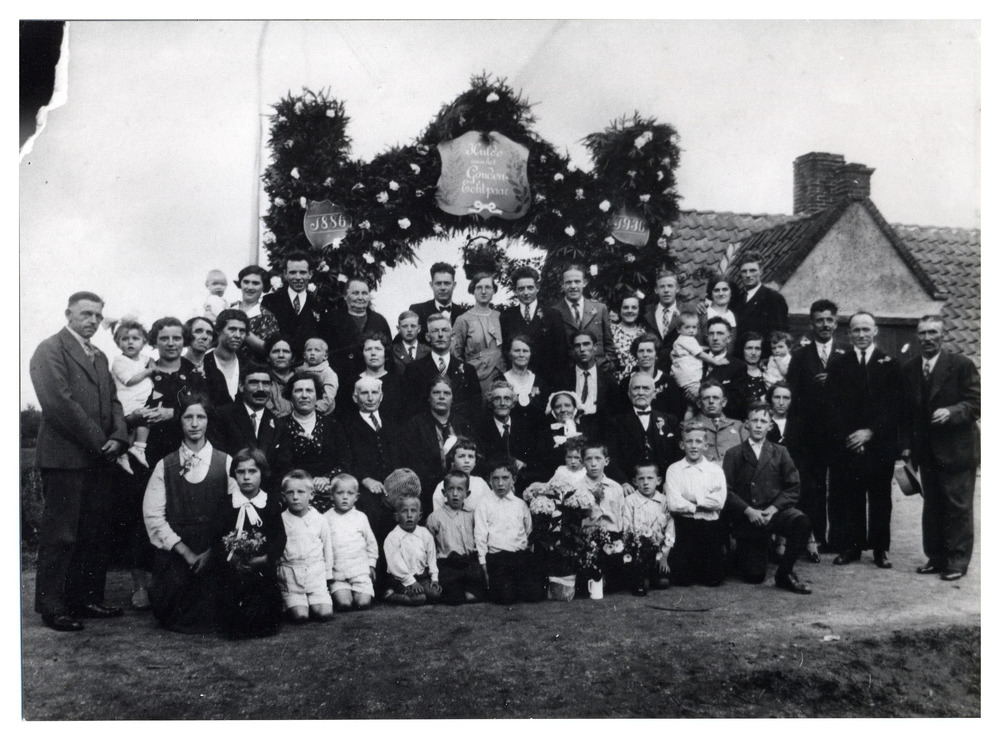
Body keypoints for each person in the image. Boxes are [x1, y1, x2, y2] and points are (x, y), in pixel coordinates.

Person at [30, 291, 129, 631]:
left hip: (99, 458)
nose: (93, 321)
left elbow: (114, 401)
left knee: (93, 532)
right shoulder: (50, 349)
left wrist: (120, 436)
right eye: (86, 314)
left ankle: (85, 599)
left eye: (98, 316)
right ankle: (53, 607)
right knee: (61, 534)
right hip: (65, 458)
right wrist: (102, 442)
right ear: (68, 314)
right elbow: (59, 403)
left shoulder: (99, 356)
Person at [900, 315, 981, 582]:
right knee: (933, 506)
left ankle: (957, 561)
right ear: (917, 336)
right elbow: (907, 413)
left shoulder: (961, 365)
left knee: (957, 507)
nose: (927, 338)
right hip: (927, 452)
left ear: (943, 336)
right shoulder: (910, 368)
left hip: (957, 451)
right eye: (922, 333)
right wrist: (907, 447)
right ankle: (935, 558)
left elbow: (977, 403)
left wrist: (952, 412)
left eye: (933, 332)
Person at [142, 392, 228, 633]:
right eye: (188, 417)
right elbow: (153, 517)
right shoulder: (165, 465)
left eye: (201, 417)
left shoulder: (226, 462)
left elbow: (236, 512)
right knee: (172, 605)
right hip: (178, 550)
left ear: (208, 421)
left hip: (214, 547)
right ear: (180, 421)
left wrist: (212, 552)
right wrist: (187, 554)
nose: (194, 424)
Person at [825, 311, 902, 569]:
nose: (861, 334)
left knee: (880, 497)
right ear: (849, 334)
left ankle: (880, 549)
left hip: (879, 444)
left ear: (875, 331)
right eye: (856, 330)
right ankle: (852, 547)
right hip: (850, 444)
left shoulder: (889, 364)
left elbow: (894, 407)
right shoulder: (839, 364)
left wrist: (870, 433)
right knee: (851, 496)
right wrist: (851, 437)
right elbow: (833, 406)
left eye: (865, 329)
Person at [723, 401, 813, 594]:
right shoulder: (733, 454)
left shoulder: (780, 452)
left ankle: (784, 573)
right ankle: (749, 551)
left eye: (763, 421)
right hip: (748, 517)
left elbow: (793, 487)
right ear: (746, 424)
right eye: (754, 420)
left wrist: (773, 509)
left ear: (770, 426)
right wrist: (748, 511)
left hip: (773, 513)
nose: (758, 425)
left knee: (802, 522)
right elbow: (726, 491)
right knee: (754, 577)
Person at [785, 299, 847, 553]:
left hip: (839, 432)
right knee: (814, 487)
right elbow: (792, 395)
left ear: (836, 323)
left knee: (840, 486)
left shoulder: (847, 354)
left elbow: (854, 393)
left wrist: (834, 381)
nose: (824, 325)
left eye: (829, 320)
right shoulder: (800, 356)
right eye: (819, 320)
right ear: (811, 324)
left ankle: (840, 539)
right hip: (810, 434)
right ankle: (817, 537)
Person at [212, 448, 286, 639]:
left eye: (252, 471)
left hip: (262, 569)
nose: (246, 477)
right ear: (234, 474)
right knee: (232, 616)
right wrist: (231, 557)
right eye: (241, 472)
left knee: (265, 618)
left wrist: (265, 558)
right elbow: (216, 537)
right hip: (232, 570)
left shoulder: (269, 503)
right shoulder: (226, 504)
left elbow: (279, 538)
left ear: (262, 473)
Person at [269, 371, 347, 513]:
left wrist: (327, 479)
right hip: (294, 495)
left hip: (330, 493)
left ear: (317, 396)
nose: (304, 395)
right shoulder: (279, 426)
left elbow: (345, 461)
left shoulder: (333, 425)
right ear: (290, 396)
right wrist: (304, 483)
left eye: (309, 390)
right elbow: (278, 466)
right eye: (298, 390)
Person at [399, 376, 476, 513]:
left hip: (460, 489)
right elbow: (412, 462)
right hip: (427, 491)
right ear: (429, 397)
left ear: (452, 398)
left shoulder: (462, 424)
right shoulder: (416, 425)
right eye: (436, 392)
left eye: (446, 393)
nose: (441, 397)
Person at [139, 317, 209, 467]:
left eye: (176, 338)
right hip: (150, 450)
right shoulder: (145, 372)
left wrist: (173, 413)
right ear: (155, 342)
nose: (170, 344)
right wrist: (138, 416)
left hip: (187, 448)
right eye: (164, 338)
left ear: (184, 341)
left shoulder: (195, 374)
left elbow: (208, 409)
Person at [664, 423, 727, 587]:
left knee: (713, 580)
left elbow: (719, 502)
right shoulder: (674, 470)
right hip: (684, 526)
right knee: (682, 579)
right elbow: (674, 503)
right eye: (689, 441)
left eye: (698, 441)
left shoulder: (715, 470)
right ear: (682, 445)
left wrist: (692, 499)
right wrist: (703, 503)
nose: (693, 446)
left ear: (705, 445)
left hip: (709, 526)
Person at [475, 458, 545, 604]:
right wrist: (484, 564)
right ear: (489, 480)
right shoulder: (484, 504)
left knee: (534, 595)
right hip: (498, 558)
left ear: (513, 479)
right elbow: (480, 536)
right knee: (505, 598)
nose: (500, 483)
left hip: (520, 557)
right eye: (495, 478)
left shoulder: (520, 504)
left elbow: (529, 532)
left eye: (505, 478)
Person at [277, 469, 334, 623]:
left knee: (324, 614)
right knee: (300, 616)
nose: (295, 497)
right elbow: (277, 552)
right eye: (290, 492)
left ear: (312, 494)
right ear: (284, 496)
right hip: (291, 578)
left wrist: (328, 576)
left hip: (315, 576)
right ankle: (295, 602)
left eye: (301, 492)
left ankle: (315, 601)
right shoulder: (281, 520)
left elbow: (327, 549)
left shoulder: (320, 519)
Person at [403, 313, 482, 422]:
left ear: (452, 336)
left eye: (445, 330)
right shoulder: (414, 369)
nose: (440, 335)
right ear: (427, 337)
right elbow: (410, 410)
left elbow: (476, 410)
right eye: (435, 331)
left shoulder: (468, 370)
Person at [425, 471, 487, 605]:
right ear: (444, 492)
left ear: (467, 494)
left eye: (459, 489)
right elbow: (429, 546)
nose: (455, 494)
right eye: (450, 489)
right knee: (453, 597)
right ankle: (454, 593)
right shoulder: (435, 518)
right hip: (448, 564)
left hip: (469, 562)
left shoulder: (473, 515)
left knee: (479, 592)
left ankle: (465, 592)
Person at [608, 373, 681, 485]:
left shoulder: (669, 420)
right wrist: (623, 482)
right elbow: (612, 457)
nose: (640, 393)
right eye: (636, 388)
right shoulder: (616, 423)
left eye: (646, 388)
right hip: (630, 486)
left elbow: (676, 457)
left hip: (663, 485)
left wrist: (669, 483)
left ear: (654, 393)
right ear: (629, 393)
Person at [499, 265, 565, 385]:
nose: (526, 293)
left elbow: (561, 353)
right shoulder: (506, 317)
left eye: (530, 288)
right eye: (521, 289)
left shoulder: (553, 315)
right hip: (517, 381)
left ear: (537, 288)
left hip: (547, 381)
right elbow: (505, 352)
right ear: (515, 290)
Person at [475, 380, 544, 490]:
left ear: (513, 403)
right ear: (490, 403)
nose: (502, 403)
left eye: (507, 399)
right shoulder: (481, 430)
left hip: (523, 484)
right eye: (497, 399)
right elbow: (481, 464)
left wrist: (524, 463)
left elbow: (536, 458)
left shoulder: (526, 427)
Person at [323, 473, 379, 611]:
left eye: (350, 493)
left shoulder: (361, 517)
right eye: (340, 493)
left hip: (360, 571)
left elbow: (371, 543)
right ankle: (341, 593)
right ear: (331, 496)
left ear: (356, 497)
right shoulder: (325, 518)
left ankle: (361, 591)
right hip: (338, 574)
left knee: (363, 604)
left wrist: (371, 564)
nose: (345, 497)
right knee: (344, 604)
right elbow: (322, 546)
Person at [260, 251, 330, 359]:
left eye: (303, 272)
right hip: (278, 363)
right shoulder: (270, 301)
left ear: (310, 274)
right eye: (292, 272)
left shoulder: (319, 305)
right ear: (285, 274)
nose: (298, 277)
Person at [549, 264, 617, 375]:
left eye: (577, 281)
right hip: (568, 374)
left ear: (584, 283)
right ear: (562, 285)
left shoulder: (600, 309)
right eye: (568, 282)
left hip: (599, 371)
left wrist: (608, 365)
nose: (573, 286)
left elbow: (609, 343)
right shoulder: (554, 312)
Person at [209, 362, 282, 457]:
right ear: (241, 386)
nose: (261, 389)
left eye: (265, 384)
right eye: (254, 383)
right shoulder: (221, 417)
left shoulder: (278, 424)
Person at [327, 277, 392, 382]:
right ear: (345, 296)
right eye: (355, 293)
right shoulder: (331, 320)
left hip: (372, 382)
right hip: (341, 380)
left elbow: (388, 356)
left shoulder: (379, 321)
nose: (360, 297)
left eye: (364, 293)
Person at [110, 319, 155, 471]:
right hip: (128, 401)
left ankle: (130, 452)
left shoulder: (143, 358)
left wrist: (152, 362)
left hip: (141, 400)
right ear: (118, 343)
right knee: (139, 421)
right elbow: (129, 381)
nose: (130, 342)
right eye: (125, 339)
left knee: (139, 426)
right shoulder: (119, 361)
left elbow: (150, 359)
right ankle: (132, 450)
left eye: (135, 338)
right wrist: (148, 372)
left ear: (143, 343)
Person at [382, 495, 442, 606]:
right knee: (419, 598)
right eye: (404, 511)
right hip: (401, 579)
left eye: (413, 511)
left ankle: (417, 591)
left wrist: (434, 578)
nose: (409, 515)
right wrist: (411, 581)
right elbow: (395, 564)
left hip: (421, 577)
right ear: (396, 516)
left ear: (419, 516)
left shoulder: (425, 533)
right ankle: (391, 595)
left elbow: (432, 558)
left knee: (435, 594)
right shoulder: (392, 537)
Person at [623, 462, 673, 594]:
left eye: (650, 478)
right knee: (637, 578)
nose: (645, 483)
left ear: (658, 481)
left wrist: (663, 557)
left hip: (659, 552)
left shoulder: (664, 501)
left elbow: (670, 531)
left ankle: (653, 576)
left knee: (664, 582)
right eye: (641, 479)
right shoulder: (630, 501)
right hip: (637, 553)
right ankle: (642, 578)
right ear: (634, 481)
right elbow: (626, 528)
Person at [452, 271, 505, 395]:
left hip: (502, 374)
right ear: (473, 290)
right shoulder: (463, 319)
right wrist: (465, 374)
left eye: (488, 287)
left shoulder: (500, 317)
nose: (483, 291)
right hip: (476, 377)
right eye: (479, 288)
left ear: (493, 291)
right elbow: (455, 353)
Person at [555, 329, 621, 430]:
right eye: (577, 346)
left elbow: (615, 414)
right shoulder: (563, 379)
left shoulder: (608, 380)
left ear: (595, 347)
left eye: (586, 344)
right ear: (573, 350)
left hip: (601, 430)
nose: (582, 349)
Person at [339, 332, 406, 424]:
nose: (373, 353)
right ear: (362, 353)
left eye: (378, 349)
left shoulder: (399, 381)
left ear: (385, 353)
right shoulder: (351, 382)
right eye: (368, 349)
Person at [618, 333, 687, 421]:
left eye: (649, 351)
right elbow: (621, 414)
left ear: (656, 354)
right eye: (641, 351)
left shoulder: (668, 382)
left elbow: (675, 414)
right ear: (636, 354)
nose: (645, 355)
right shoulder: (627, 382)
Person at [730, 251, 789, 352]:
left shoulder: (773, 298)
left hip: (762, 356)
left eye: (752, 270)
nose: (748, 275)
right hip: (737, 356)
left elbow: (780, 335)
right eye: (744, 271)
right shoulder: (736, 299)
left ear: (761, 271)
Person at [670, 311, 728, 404]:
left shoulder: (683, 340)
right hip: (689, 378)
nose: (691, 330)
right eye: (687, 327)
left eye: (694, 327)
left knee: (692, 403)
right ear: (679, 330)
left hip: (684, 378)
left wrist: (709, 347)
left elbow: (697, 348)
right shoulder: (687, 339)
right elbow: (699, 354)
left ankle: (691, 410)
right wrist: (716, 362)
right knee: (700, 400)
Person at [689, 380, 747, 463]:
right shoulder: (687, 426)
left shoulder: (738, 425)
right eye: (706, 398)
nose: (711, 401)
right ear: (698, 403)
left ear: (723, 402)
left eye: (715, 398)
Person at [231, 265, 280, 363]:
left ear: (264, 287)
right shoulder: (229, 310)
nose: (250, 287)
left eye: (255, 283)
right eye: (246, 282)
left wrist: (244, 331)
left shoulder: (267, 316)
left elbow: (270, 349)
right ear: (240, 284)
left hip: (254, 367)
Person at [702, 317, 747, 419]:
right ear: (707, 337)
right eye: (711, 333)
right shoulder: (697, 359)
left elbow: (735, 403)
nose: (715, 338)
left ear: (729, 338)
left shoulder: (738, 366)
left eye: (720, 333)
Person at [203, 309, 249, 409]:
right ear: (218, 330)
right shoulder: (203, 362)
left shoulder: (248, 364)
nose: (238, 335)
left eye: (242, 331)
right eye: (232, 329)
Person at [641, 268, 694, 355]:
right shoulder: (646, 312)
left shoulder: (687, 311)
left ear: (677, 289)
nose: (666, 290)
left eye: (670, 286)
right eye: (662, 286)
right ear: (656, 290)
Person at [430, 437, 491, 512]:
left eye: (471, 456)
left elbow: (490, 510)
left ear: (475, 461)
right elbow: (438, 515)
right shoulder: (442, 486)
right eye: (461, 456)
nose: (467, 461)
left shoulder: (480, 484)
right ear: (453, 460)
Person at [577, 442, 625, 534]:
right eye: (588, 459)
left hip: (614, 538)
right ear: (582, 462)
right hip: (586, 538)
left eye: (598, 458)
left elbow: (621, 518)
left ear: (606, 461)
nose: (593, 464)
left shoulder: (616, 488)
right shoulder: (577, 488)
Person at [407, 262, 467, 334]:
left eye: (447, 283)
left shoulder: (464, 314)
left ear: (454, 285)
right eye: (438, 283)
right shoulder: (418, 311)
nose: (442, 288)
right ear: (431, 285)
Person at [541, 390, 588, 475]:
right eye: (557, 407)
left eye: (567, 405)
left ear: (575, 408)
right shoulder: (545, 432)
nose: (563, 410)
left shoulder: (584, 430)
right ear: (553, 411)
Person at [502, 335, 550, 417]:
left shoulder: (540, 383)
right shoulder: (501, 381)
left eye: (525, 351)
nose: (521, 354)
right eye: (517, 350)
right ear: (509, 354)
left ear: (530, 354)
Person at [727, 332, 768, 423]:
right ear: (742, 349)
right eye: (749, 348)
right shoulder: (735, 375)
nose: (753, 353)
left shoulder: (767, 374)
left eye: (757, 348)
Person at [296, 337, 339, 416]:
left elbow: (329, 395)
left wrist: (318, 409)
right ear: (304, 355)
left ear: (325, 356)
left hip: (321, 412)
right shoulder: (300, 370)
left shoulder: (328, 372)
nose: (312, 353)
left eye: (317, 350)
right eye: (309, 350)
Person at [610, 293, 648, 381]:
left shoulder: (643, 333)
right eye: (625, 307)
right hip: (617, 380)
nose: (630, 311)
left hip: (640, 380)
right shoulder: (612, 330)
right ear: (620, 310)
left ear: (639, 310)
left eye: (634, 307)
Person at [264, 335, 295, 419]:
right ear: (268, 358)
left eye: (286, 351)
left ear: (293, 358)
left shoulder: (303, 380)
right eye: (276, 351)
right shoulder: (264, 383)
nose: (281, 355)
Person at [701, 275, 738, 342]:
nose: (721, 293)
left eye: (725, 289)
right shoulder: (703, 314)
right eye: (716, 290)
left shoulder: (732, 315)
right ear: (711, 294)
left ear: (731, 292)